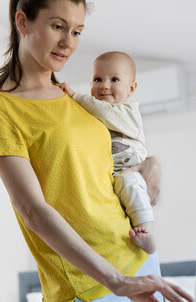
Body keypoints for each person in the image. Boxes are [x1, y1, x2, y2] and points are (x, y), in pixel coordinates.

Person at [0, 0, 193, 302]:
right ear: (23, 22)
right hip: (91, 284)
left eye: (77, 31)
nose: (69, 43)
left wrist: (152, 167)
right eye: (58, 26)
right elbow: (32, 211)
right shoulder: (1, 110)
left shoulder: (76, 100)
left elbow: (114, 162)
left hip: (137, 257)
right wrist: (115, 280)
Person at [59, 51, 156, 255]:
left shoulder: (128, 112)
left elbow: (104, 111)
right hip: (109, 179)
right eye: (98, 79)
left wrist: (74, 96)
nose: (104, 85)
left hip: (130, 172)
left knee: (130, 185)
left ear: (131, 88)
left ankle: (148, 232)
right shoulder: (90, 117)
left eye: (114, 79)